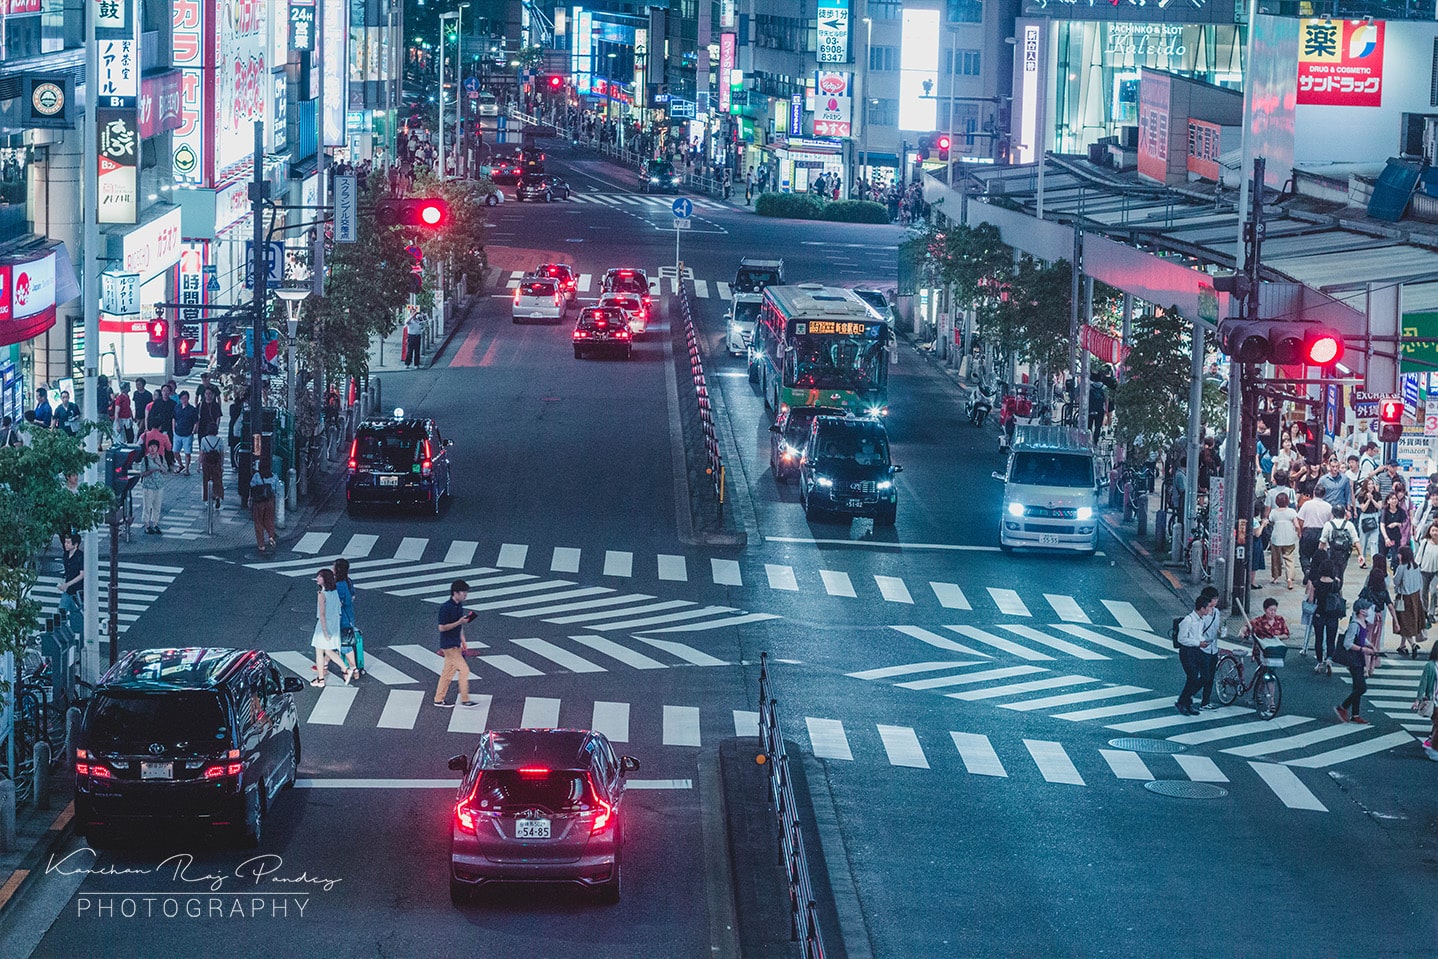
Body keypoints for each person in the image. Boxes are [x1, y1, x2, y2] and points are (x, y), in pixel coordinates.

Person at [434, 579, 481, 708]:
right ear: (455, 593)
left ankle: (438, 699)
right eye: (463, 592)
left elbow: (459, 627)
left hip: (455, 644)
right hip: (448, 645)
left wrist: (463, 641)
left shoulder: (459, 606)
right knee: (464, 670)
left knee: (447, 673)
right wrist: (459, 622)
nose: (465, 595)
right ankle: (465, 700)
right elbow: (442, 628)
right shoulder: (445, 608)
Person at [1175, 587, 1221, 716]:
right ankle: (1183, 702)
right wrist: (1198, 643)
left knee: (1205, 677)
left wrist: (1203, 642)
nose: (1208, 611)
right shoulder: (1188, 620)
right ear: (1201, 608)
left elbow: (1199, 635)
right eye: (1206, 608)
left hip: (1197, 650)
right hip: (1187, 652)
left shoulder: (1200, 620)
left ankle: (1185, 701)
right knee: (1193, 677)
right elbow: (1181, 639)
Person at [310, 568, 354, 687]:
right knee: (328, 650)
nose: (317, 579)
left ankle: (321, 679)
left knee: (319, 653)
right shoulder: (334, 592)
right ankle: (346, 669)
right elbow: (339, 606)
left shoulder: (321, 595)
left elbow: (322, 614)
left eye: (320, 577)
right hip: (334, 625)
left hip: (324, 626)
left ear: (325, 579)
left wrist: (324, 631)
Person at [1335, 600, 1376, 724]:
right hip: (1354, 660)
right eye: (1367, 608)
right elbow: (1348, 643)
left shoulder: (1363, 623)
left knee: (1357, 687)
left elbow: (1362, 638)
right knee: (1362, 687)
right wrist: (1363, 649)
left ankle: (1355, 714)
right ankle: (1342, 707)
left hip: (1359, 659)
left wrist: (1370, 645)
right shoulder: (1355, 624)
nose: (1369, 611)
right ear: (1361, 611)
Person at [1357, 556, 1397, 673]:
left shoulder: (1367, 590)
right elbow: (1390, 606)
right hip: (1378, 619)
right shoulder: (1383, 591)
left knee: (1366, 641)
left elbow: (1359, 601)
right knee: (1375, 642)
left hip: (1368, 618)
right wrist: (1396, 621)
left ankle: (1365, 666)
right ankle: (1372, 667)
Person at [1306, 555, 1343, 669]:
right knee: (1331, 639)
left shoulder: (1316, 583)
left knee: (1319, 638)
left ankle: (1319, 661)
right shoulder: (1336, 583)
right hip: (1333, 614)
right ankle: (1329, 659)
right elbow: (1340, 597)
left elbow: (1311, 600)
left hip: (1319, 614)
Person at [1393, 546, 1427, 658]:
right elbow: (1420, 583)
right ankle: (1402, 646)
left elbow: (1396, 581)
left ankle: (1413, 644)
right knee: (1408, 622)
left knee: (1402, 623)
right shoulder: (1416, 566)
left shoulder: (1401, 568)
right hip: (1415, 597)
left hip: (1404, 598)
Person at [1265, 492, 1301, 588]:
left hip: (1276, 538)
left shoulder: (1274, 512)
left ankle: (1275, 577)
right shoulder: (1291, 512)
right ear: (1287, 501)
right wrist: (1299, 532)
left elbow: (1270, 521)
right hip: (1289, 538)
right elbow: (1297, 525)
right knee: (1289, 559)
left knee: (1276, 558)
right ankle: (1289, 578)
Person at [1296, 485, 1332, 575]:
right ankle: (1315, 573)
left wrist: (1300, 532)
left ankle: (1307, 570)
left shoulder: (1307, 504)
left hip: (1308, 531)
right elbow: (1330, 522)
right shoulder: (1328, 506)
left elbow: (1300, 520)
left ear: (1314, 493)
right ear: (1324, 495)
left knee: (1304, 554)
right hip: (1321, 532)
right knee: (1319, 555)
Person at [334, 558, 361, 675]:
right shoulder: (349, 581)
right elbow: (353, 597)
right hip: (348, 616)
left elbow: (338, 603)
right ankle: (324, 665)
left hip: (342, 618)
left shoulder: (339, 585)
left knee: (344, 644)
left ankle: (353, 669)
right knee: (338, 643)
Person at [1319, 506, 1359, 584]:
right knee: (1341, 573)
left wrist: (1320, 553)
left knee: (1332, 572)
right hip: (1344, 554)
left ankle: (1333, 589)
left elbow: (1322, 541)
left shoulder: (1328, 524)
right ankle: (1339, 589)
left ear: (1333, 514)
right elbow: (1356, 540)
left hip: (1332, 553)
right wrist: (1360, 554)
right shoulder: (1349, 524)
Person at [138, 439, 167, 534]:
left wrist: (159, 464)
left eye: (155, 447)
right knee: (147, 506)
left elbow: (165, 470)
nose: (152, 449)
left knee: (157, 505)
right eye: (151, 446)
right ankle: (147, 525)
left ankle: (155, 524)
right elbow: (142, 473)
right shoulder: (145, 459)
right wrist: (152, 471)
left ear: (158, 448)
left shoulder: (161, 458)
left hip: (159, 485)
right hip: (148, 486)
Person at [249, 458, 278, 552]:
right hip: (270, 501)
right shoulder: (274, 476)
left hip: (259, 502)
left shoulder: (257, 476)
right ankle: (271, 536)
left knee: (258, 522)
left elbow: (252, 485)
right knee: (269, 520)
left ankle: (261, 544)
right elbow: (276, 489)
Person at [1416, 644, 1438, 753]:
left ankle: (1431, 741)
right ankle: (1432, 745)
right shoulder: (1430, 666)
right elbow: (1423, 683)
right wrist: (1418, 699)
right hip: (1434, 700)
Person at [1356, 478, 1381, 568]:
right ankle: (1362, 561)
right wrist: (1368, 500)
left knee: (1374, 542)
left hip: (1374, 516)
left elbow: (1379, 506)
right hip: (1364, 517)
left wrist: (1373, 499)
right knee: (1363, 541)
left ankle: (1375, 563)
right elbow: (1363, 508)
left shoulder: (1377, 495)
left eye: (1372, 484)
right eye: (1369, 484)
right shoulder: (1361, 495)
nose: (1371, 486)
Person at [172, 390, 198, 475]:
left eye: (186, 398)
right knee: (175, 451)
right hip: (178, 432)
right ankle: (180, 465)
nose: (184, 400)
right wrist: (173, 429)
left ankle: (187, 468)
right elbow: (174, 418)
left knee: (187, 452)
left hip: (188, 433)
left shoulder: (192, 409)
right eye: (182, 398)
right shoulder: (177, 407)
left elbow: (196, 421)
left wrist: (193, 430)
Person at [58, 532, 84, 615]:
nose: (66, 545)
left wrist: (67, 584)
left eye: (68, 543)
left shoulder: (80, 556)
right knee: (62, 610)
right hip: (69, 590)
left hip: (78, 590)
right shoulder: (65, 555)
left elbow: (82, 574)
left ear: (76, 544)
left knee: (78, 612)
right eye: (65, 542)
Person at [1380, 490, 1407, 566]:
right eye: (1392, 499)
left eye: (1395, 498)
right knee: (1382, 557)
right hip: (1385, 536)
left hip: (1395, 536)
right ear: (1388, 501)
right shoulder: (1384, 511)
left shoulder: (1401, 511)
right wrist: (1386, 538)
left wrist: (1396, 524)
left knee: (1396, 557)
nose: (1394, 500)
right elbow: (1382, 525)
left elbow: (1403, 523)